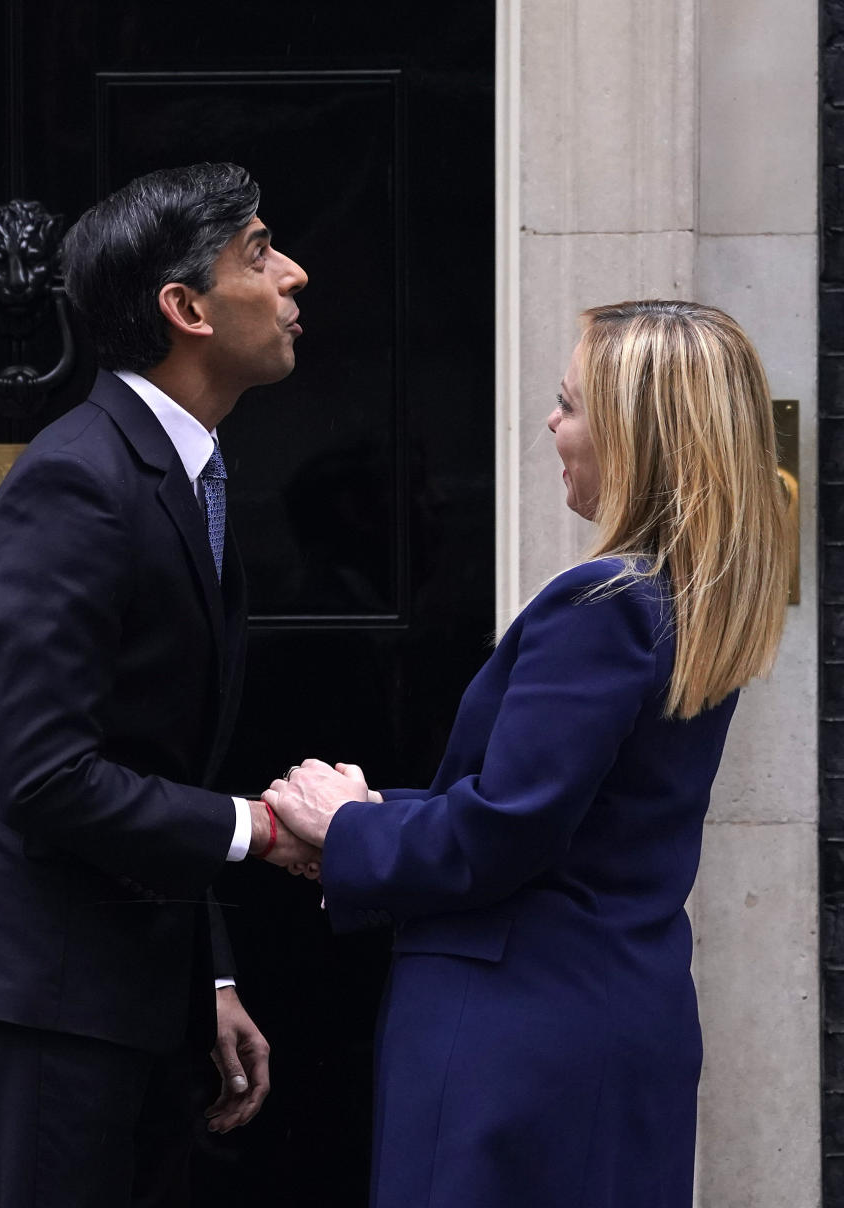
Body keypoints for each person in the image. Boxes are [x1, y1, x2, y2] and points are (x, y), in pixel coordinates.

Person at [264, 300, 790, 1208]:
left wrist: (347, 825)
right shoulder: (686, 601)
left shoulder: (604, 603)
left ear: (636, 436)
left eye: (570, 404)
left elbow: (503, 832)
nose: (552, 423)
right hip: (616, 1006)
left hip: (517, 1024)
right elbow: (575, 816)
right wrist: (377, 816)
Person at [0, 162, 318, 1207]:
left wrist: (207, 975)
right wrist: (262, 830)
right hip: (44, 993)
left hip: (133, 983)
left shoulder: (189, 470)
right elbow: (47, 777)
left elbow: (151, 762)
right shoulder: (75, 480)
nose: (294, 276)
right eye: (259, 253)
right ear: (186, 309)